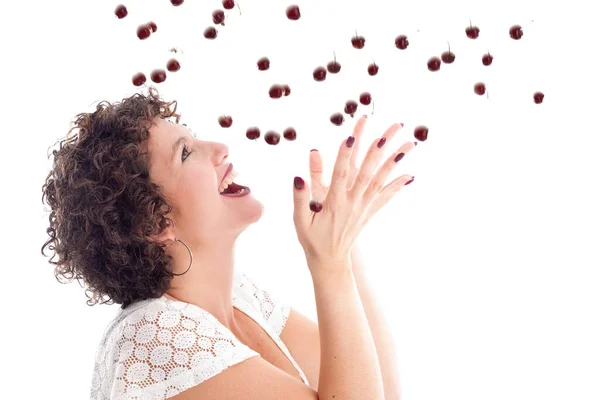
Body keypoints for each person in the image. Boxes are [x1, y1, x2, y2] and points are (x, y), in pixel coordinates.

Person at [41, 87, 416, 399]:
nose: (220, 148)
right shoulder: (154, 336)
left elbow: (380, 386)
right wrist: (329, 264)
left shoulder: (240, 298)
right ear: (154, 223)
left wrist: (346, 246)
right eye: (186, 153)